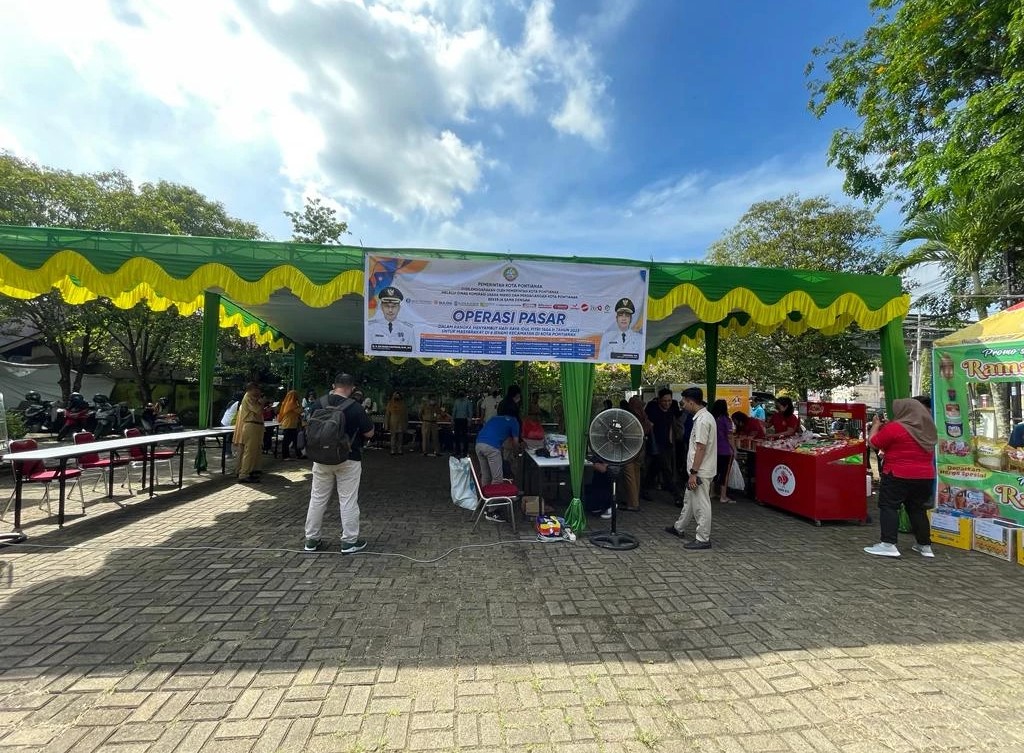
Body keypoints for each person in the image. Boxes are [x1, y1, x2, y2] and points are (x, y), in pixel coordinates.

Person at [303, 373, 375, 554]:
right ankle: (349, 542)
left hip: (320, 457)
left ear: (334, 385)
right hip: (348, 459)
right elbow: (370, 433)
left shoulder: (318, 403)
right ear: (352, 388)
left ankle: (311, 540)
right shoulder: (355, 407)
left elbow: (307, 424)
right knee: (348, 500)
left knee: (317, 498)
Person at [863, 398, 939, 558]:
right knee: (918, 510)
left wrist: (876, 425)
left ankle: (888, 544)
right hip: (925, 476)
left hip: (898, 474)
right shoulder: (928, 428)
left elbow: (874, 443)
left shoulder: (896, 428)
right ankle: (924, 546)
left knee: (889, 506)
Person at [665, 387, 717, 549]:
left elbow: (700, 448)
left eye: (684, 402)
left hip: (700, 471)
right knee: (689, 500)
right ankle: (679, 527)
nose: (683, 405)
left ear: (691, 402)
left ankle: (703, 538)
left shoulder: (702, 421)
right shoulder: (705, 417)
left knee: (701, 504)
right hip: (699, 470)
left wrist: (694, 473)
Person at [642, 388, 682, 504]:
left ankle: (644, 488)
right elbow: (648, 425)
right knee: (666, 469)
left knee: (655, 468)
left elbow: (677, 419)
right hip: (654, 444)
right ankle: (677, 495)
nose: (667, 403)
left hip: (666, 444)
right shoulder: (652, 408)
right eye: (664, 401)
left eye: (669, 400)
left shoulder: (673, 407)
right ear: (659, 400)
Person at [475, 402, 522, 488]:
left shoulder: (494, 418)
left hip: (479, 444)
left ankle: (485, 497)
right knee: (497, 479)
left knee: (486, 475)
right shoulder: (514, 421)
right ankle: (495, 500)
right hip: (492, 447)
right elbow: (515, 442)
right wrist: (516, 454)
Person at [620, 395, 652, 511]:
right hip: (641, 448)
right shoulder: (643, 415)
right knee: (636, 474)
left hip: (630, 450)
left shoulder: (630, 416)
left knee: (629, 475)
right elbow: (648, 428)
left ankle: (632, 504)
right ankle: (634, 499)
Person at [231, 382, 265, 483]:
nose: (259, 391)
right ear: (251, 389)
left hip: (256, 425)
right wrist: (262, 403)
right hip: (251, 425)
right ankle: (244, 474)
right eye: (257, 389)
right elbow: (257, 410)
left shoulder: (253, 397)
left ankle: (251, 471)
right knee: (249, 451)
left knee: (255, 450)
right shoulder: (248, 397)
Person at [366, 286, 415, 353]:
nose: (390, 310)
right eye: (386, 306)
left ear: (399, 308)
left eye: (394, 306)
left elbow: (411, 352)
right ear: (381, 307)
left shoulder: (409, 329)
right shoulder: (371, 327)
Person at [710, 399, 736, 504]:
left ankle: (711, 492)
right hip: (725, 450)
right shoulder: (726, 420)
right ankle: (723, 496)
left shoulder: (712, 419)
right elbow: (729, 436)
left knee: (714, 472)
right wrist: (734, 449)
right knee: (725, 473)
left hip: (714, 450)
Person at [277, 389, 303, 460]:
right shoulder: (292, 404)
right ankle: (286, 456)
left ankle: (298, 454)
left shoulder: (286, 403)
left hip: (290, 425)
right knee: (286, 441)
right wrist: (300, 402)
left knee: (295, 440)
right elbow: (300, 410)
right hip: (289, 425)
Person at [451, 390, 473, 458]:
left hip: (460, 420)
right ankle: (463, 452)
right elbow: (470, 412)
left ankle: (460, 452)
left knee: (460, 436)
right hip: (463, 420)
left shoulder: (457, 401)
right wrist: (469, 421)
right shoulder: (467, 401)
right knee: (463, 436)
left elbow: (454, 411)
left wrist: (452, 420)